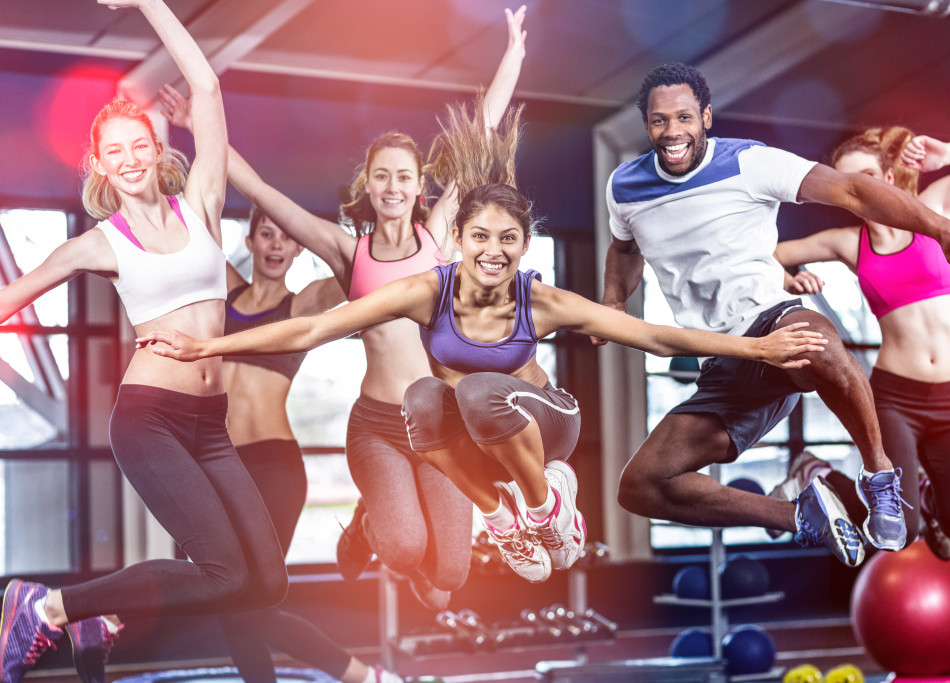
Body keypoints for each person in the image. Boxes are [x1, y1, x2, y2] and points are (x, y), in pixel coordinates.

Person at [136, 103, 828, 585]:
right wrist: (208, 349)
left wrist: (756, 350)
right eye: (479, 239)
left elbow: (652, 333)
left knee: (472, 389)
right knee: (426, 407)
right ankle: (504, 517)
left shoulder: (542, 297)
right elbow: (314, 327)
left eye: (507, 241)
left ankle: (546, 502)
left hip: (544, 423)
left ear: (522, 247)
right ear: (457, 241)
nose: (492, 252)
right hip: (469, 431)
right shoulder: (425, 287)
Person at [159, 4, 529, 608]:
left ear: (417, 187)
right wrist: (198, 128)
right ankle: (368, 527)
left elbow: (480, 133)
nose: (392, 187)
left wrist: (513, 50)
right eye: (381, 176)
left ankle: (380, 526)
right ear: (369, 185)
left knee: (451, 578)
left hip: (442, 425)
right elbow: (261, 192)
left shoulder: (437, 238)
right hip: (379, 424)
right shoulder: (344, 252)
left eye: (403, 177)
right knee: (406, 549)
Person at [598, 62, 950, 567]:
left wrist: (941, 229)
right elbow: (624, 248)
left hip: (773, 322)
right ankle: (798, 515)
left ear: (707, 117)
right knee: (640, 486)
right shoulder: (624, 188)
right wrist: (613, 299)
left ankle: (878, 477)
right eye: (659, 121)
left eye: (684, 118)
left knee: (818, 343)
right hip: (721, 360)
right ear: (646, 124)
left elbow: (852, 192)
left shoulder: (751, 162)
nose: (672, 132)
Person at [0, 1, 288, 682]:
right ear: (99, 164)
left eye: (139, 146)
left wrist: (148, 3)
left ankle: (91, 613)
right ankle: (46, 608)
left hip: (210, 425)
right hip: (149, 418)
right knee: (222, 568)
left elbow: (208, 89)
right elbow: (13, 296)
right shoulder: (98, 243)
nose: (129, 159)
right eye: (114, 151)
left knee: (266, 581)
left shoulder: (204, 203)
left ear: (158, 152)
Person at [771, 127, 950, 559]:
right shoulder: (850, 243)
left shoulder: (934, 208)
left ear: (888, 178)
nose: (864, 190)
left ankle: (923, 496)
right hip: (893, 399)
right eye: (853, 184)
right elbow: (769, 253)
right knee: (901, 531)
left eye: (869, 177)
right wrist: (787, 280)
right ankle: (813, 471)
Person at [214, 209, 400, 683]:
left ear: (299, 249)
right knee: (232, 607)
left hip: (273, 468)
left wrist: (378, 223)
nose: (277, 246)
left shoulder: (301, 305)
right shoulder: (227, 291)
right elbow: (192, 229)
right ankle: (365, 677)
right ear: (251, 240)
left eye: (287, 238)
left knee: (250, 607)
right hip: (222, 467)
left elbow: (357, 272)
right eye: (266, 234)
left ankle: (362, 675)